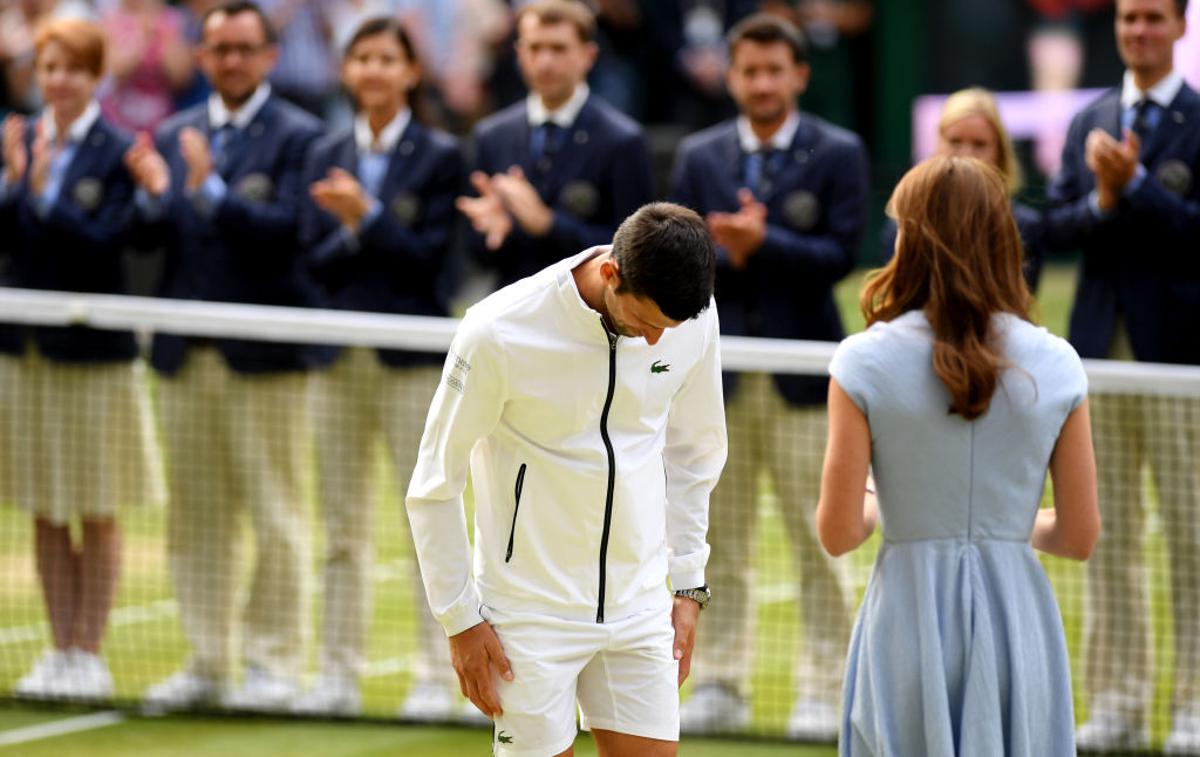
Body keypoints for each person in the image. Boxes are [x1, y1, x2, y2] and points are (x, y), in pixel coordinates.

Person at [406, 202, 727, 757]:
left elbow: (696, 453)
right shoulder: (495, 331)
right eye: (646, 324)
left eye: (666, 331)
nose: (655, 342)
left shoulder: (693, 318)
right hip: (528, 618)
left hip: (641, 608)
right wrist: (459, 620)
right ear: (610, 273)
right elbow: (435, 483)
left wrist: (688, 587)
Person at [819, 154, 1101, 755]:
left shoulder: (862, 362)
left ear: (909, 238)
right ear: (1003, 237)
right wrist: (998, 525)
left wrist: (888, 502)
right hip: (1017, 625)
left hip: (906, 624)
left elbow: (839, 532)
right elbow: (1079, 535)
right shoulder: (1058, 364)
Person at [669, 12, 868, 739]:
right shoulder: (699, 154)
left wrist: (766, 242)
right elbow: (678, 257)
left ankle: (827, 685)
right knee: (719, 542)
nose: (760, 83)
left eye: (772, 71)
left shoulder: (838, 151)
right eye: (747, 71)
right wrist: (729, 249)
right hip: (713, 381)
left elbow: (845, 252)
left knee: (820, 537)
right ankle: (719, 677)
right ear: (730, 76)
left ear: (798, 75)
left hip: (803, 377)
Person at [124, 0, 323, 713]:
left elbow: (292, 236)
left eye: (245, 48)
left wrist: (211, 190)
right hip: (186, 359)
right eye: (219, 50)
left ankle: (273, 664)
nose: (232, 61)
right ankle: (207, 661)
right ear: (202, 59)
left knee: (276, 517)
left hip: (264, 359)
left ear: (269, 56)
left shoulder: (303, 136)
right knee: (196, 519)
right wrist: (152, 200)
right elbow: (151, 242)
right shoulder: (174, 131)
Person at [293, 16, 470, 720]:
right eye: (360, 58)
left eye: (385, 59)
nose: (371, 70)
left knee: (424, 523)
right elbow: (308, 258)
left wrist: (367, 219)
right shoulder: (325, 149)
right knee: (340, 526)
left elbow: (432, 264)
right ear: (346, 71)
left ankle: (438, 675)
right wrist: (353, 230)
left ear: (409, 71)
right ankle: (336, 671)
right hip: (336, 358)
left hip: (410, 362)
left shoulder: (441, 156)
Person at [1043, 0, 1200, 751]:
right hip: (1099, 351)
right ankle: (1117, 698)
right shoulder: (1089, 120)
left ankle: (1195, 703)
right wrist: (1107, 200)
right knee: (1104, 535)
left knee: (1192, 535)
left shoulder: (1199, 119)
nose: (1138, 30)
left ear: (1179, 28)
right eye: (1128, 18)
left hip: (1179, 358)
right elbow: (1060, 226)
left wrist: (1137, 186)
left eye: (1152, 18)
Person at [0, 15, 162, 702]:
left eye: (72, 68)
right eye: (48, 68)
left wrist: (40, 194)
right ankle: (58, 647)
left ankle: (89, 651)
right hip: (26, 352)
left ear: (96, 76)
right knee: (43, 506)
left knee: (95, 508)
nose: (58, 80)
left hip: (94, 354)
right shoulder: (18, 138)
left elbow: (106, 246)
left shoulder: (121, 150)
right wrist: (17, 186)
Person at [456, 0, 653, 290]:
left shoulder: (622, 140)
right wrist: (494, 230)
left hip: (588, 317)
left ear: (588, 55)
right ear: (519, 54)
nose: (545, 62)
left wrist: (549, 225)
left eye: (558, 49)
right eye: (535, 48)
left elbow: (635, 253)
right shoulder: (492, 135)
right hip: (512, 313)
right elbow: (474, 254)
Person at [880, 87, 1046, 292]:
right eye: (955, 141)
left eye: (979, 144)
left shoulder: (1023, 226)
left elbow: (1020, 303)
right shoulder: (907, 222)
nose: (966, 154)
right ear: (938, 145)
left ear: (1000, 151)